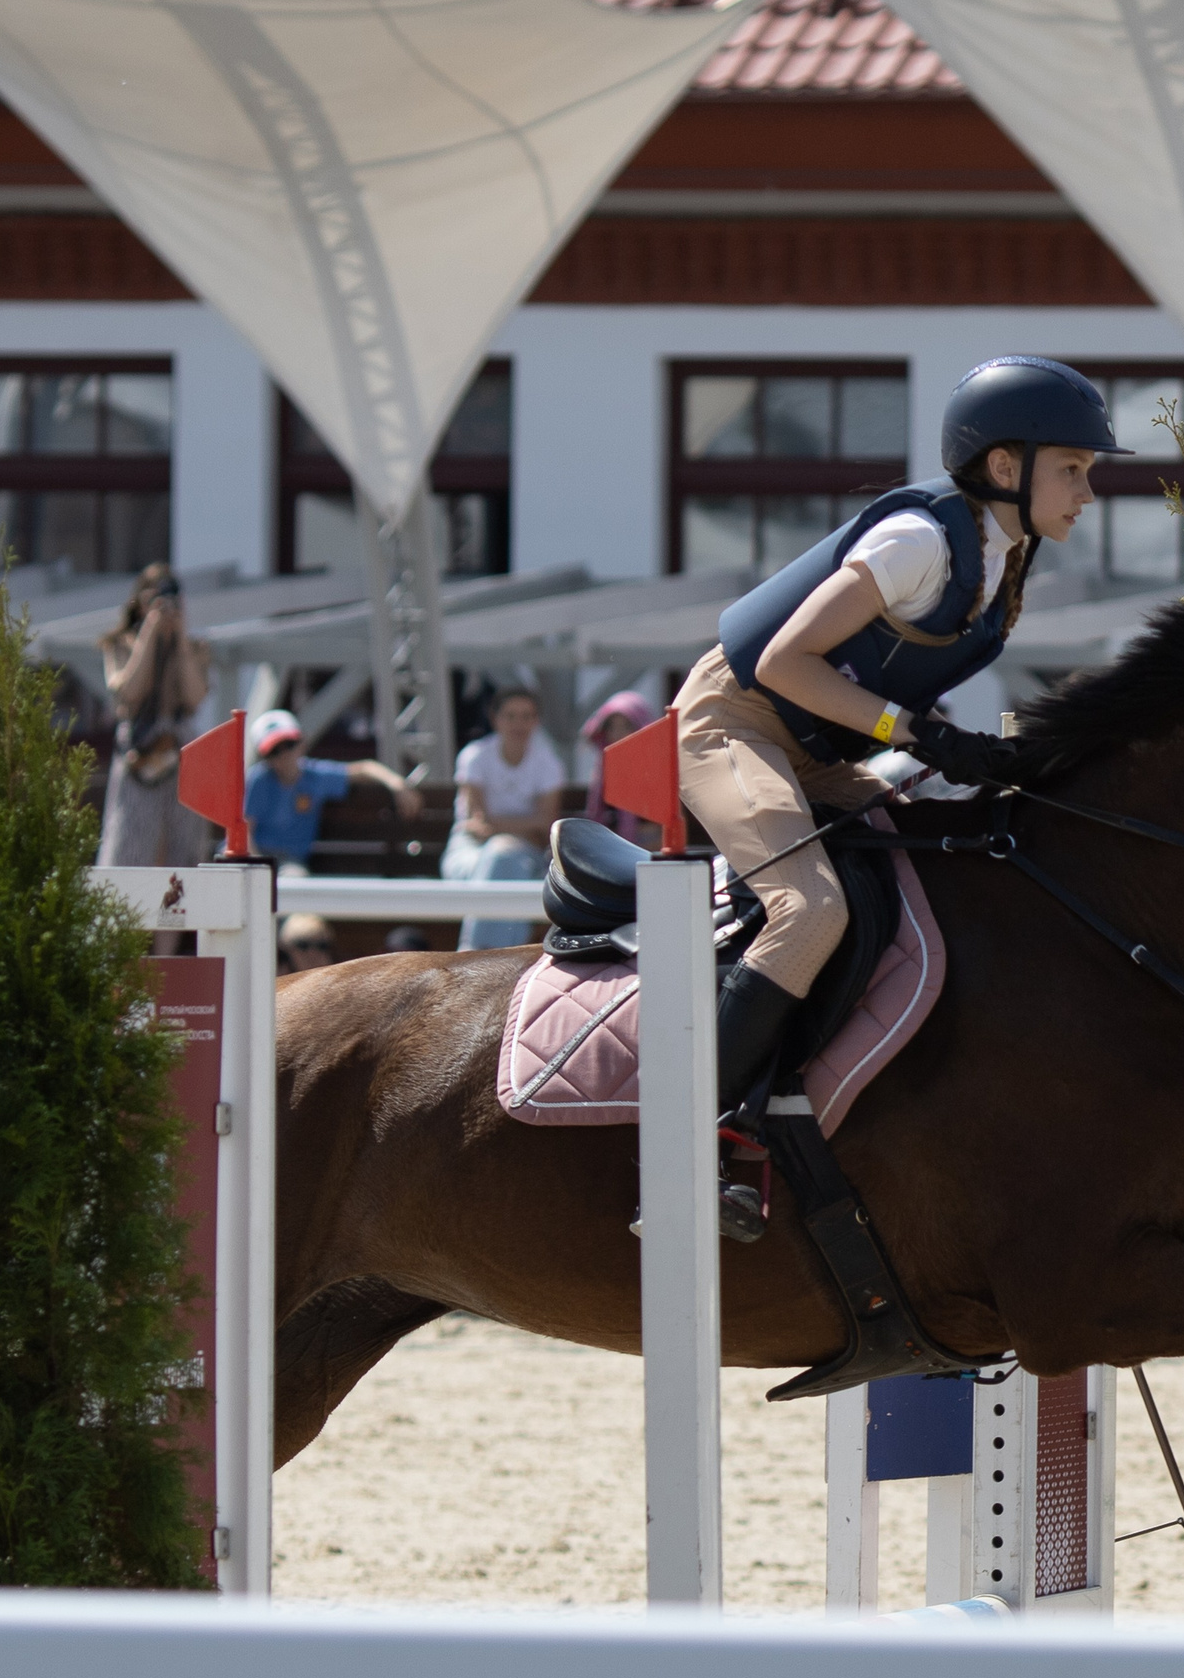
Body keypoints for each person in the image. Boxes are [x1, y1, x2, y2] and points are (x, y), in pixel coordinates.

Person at [675, 355, 1123, 1111]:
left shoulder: (1005, 555)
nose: (1088, 492)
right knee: (810, 909)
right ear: (1007, 464)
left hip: (814, 750)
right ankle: (695, 1130)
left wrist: (961, 742)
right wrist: (912, 732)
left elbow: (886, 688)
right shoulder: (920, 541)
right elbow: (787, 662)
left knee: (944, 867)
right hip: (734, 723)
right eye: (1073, 469)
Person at [96, 564, 214, 868]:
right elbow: (128, 692)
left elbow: (195, 697)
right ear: (140, 600)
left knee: (186, 843)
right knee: (130, 838)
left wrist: (180, 637)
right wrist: (149, 630)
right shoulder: (118, 643)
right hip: (139, 746)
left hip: (180, 746)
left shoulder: (193, 647)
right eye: (156, 597)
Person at [441, 684, 569, 949]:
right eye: (510, 716)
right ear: (495, 719)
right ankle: (502, 959)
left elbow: (545, 828)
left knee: (502, 857)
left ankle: (473, 957)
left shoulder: (548, 763)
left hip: (528, 858)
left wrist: (499, 829)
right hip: (468, 854)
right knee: (502, 859)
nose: (518, 724)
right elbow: (478, 826)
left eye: (526, 716)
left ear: (536, 721)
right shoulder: (475, 756)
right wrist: (523, 827)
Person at [240, 708, 419, 877]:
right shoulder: (259, 779)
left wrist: (397, 785)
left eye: (289, 744)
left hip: (289, 862)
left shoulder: (315, 776)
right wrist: (259, 868)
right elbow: (245, 832)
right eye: (274, 751)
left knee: (295, 880)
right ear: (265, 757)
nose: (284, 754)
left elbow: (365, 768)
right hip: (253, 857)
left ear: (302, 743)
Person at [579, 689, 659, 844]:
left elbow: (663, 831)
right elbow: (595, 818)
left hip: (648, 853)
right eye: (612, 727)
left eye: (626, 726)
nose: (617, 734)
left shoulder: (658, 772)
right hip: (607, 847)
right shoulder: (602, 771)